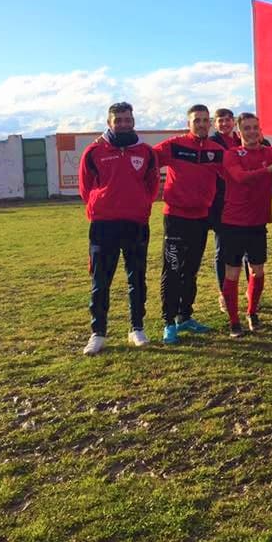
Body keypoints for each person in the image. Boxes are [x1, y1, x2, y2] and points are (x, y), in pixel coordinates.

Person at [78, 102, 159, 355]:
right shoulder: (94, 151)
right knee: (101, 281)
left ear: (133, 120)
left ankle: (137, 328)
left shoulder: (146, 152)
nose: (123, 123)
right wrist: (102, 205)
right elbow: (85, 187)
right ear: (109, 122)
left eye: (127, 119)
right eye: (118, 120)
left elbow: (152, 186)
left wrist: (141, 205)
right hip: (104, 225)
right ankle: (98, 333)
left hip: (135, 224)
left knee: (137, 278)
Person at [153, 105, 226, 344]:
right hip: (175, 218)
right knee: (172, 270)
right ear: (189, 123)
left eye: (206, 120)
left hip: (200, 219)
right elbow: (146, 160)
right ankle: (168, 322)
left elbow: (236, 174)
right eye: (197, 120)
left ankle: (185, 316)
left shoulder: (217, 150)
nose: (202, 124)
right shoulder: (175, 145)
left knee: (191, 270)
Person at [220, 113, 272, 338]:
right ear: (239, 132)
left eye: (255, 127)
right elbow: (240, 177)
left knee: (257, 271)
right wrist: (269, 170)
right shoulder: (231, 154)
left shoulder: (268, 152)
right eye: (247, 128)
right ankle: (234, 321)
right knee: (233, 273)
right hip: (233, 223)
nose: (252, 132)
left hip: (258, 223)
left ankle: (251, 312)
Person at [209, 108, 240, 313]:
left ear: (234, 122)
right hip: (220, 203)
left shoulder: (241, 140)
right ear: (215, 123)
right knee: (223, 249)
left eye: (228, 120)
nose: (225, 124)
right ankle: (223, 292)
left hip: (243, 202)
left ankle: (247, 291)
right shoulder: (212, 143)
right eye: (221, 121)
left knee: (244, 250)